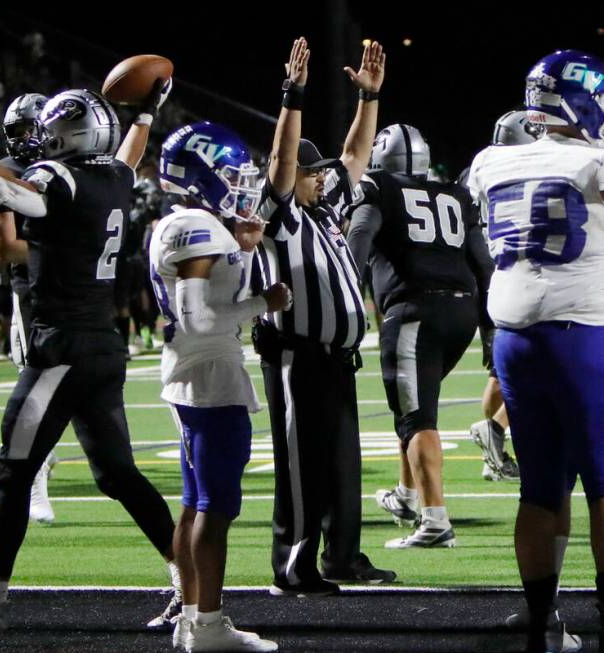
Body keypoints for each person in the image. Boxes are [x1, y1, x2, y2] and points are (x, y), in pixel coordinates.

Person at [0, 82, 179, 629]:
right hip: (103, 347)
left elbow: (13, 195)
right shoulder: (114, 177)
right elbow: (130, 157)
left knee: (13, 474)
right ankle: (191, 583)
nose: (41, 137)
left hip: (57, 349)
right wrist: (146, 117)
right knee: (117, 475)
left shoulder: (58, 178)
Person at [467, 49, 604, 653]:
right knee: (603, 482)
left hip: (514, 338)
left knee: (542, 487)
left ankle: (540, 622)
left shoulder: (489, 162)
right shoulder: (592, 162)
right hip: (582, 332)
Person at [253, 37, 394, 594]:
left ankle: (340, 557)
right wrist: (294, 94)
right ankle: (293, 563)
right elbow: (283, 163)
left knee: (340, 462)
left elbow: (354, 157)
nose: (321, 176)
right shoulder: (282, 214)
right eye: (312, 173)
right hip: (298, 355)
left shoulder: (325, 206)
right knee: (301, 464)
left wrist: (369, 101)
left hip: (336, 357)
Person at [152, 121, 290, 652]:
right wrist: (265, 304)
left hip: (196, 375)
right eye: (230, 175)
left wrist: (248, 248)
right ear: (201, 174)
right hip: (208, 377)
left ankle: (192, 618)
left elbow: (210, 300)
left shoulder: (199, 224)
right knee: (215, 507)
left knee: (194, 504)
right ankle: (208, 622)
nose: (242, 184)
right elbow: (198, 320)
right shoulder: (195, 226)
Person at [346, 124, 493, 549]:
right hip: (461, 311)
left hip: (414, 310)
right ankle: (407, 496)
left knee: (416, 416)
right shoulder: (454, 194)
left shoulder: (377, 187)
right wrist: (490, 330)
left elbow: (359, 238)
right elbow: (483, 263)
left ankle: (435, 521)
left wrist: (345, 291)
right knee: (412, 402)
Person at [0, 92, 58, 525]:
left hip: (75, 295)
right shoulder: (9, 172)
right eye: (20, 131)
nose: (27, 138)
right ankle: (35, 482)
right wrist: (64, 249)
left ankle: (42, 461)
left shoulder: (66, 169)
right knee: (35, 390)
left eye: (33, 128)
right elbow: (5, 248)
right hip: (30, 293)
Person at [464, 109, 542, 483]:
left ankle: (491, 446)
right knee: (538, 368)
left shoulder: (480, 168)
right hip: (516, 278)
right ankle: (494, 431)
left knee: (501, 374)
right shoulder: (528, 172)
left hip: (487, 281)